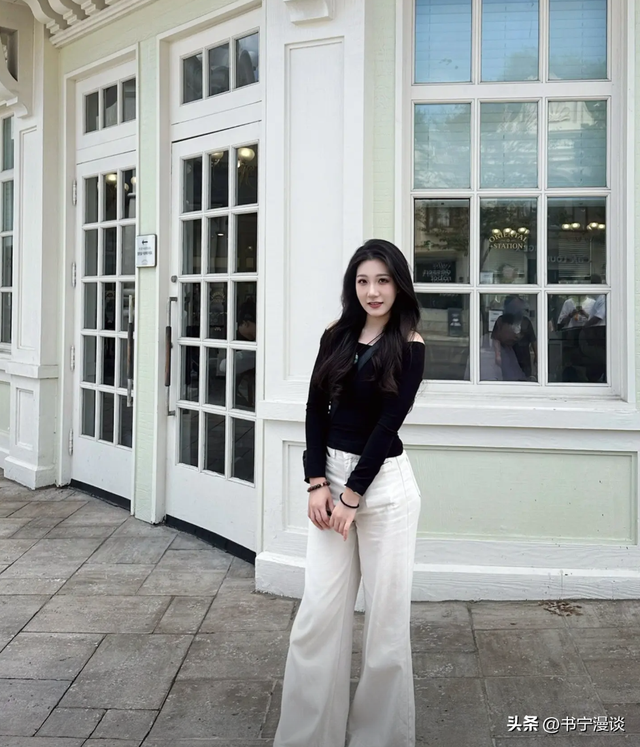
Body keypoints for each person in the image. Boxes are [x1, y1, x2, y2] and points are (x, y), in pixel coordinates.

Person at [274, 239, 426, 747]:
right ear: (352, 286)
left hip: (384, 489)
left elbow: (387, 425)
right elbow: (315, 410)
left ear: (398, 285)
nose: (372, 291)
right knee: (318, 616)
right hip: (331, 483)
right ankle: (305, 737)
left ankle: (377, 738)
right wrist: (317, 482)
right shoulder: (335, 335)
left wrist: (353, 496)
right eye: (363, 281)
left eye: (382, 280)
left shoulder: (410, 345)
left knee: (386, 626)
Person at [491, 295, 537, 381]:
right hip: (507, 356)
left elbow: (533, 340)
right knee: (509, 380)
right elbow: (496, 338)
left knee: (525, 381)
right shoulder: (501, 320)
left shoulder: (525, 321)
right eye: (514, 305)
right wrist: (497, 355)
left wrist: (537, 355)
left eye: (518, 305)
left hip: (524, 358)